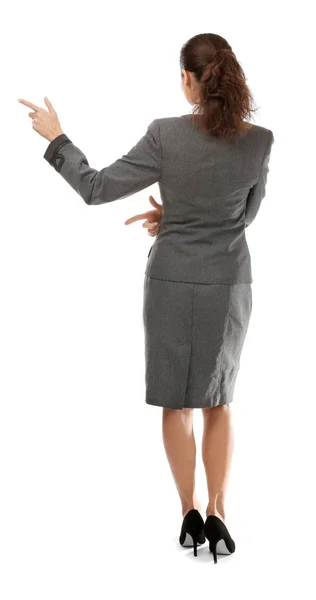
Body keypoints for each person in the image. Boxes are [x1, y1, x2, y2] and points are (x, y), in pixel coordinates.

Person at [17, 32, 274, 563]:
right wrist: (180, 219)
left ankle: (189, 512)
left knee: (175, 400)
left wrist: (57, 137)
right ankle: (220, 511)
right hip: (229, 284)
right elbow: (243, 218)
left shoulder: (165, 135)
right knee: (219, 399)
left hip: (172, 284)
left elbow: (95, 188)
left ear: (187, 79)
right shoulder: (260, 141)